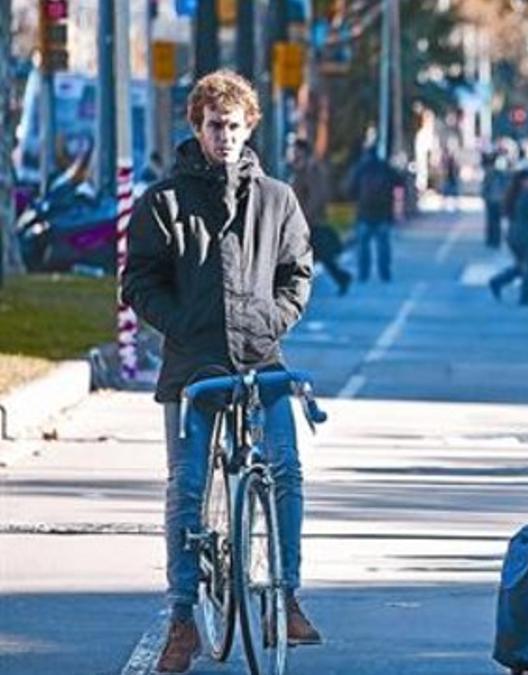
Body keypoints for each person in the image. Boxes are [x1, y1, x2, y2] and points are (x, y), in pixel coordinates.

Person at [121, 69, 321, 674]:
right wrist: (180, 324)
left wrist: (272, 321)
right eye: (215, 126)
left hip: (262, 362)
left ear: (249, 126)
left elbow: (298, 273)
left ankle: (285, 596)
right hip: (193, 369)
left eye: (234, 126)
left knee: (285, 466)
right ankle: (183, 618)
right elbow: (138, 282)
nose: (225, 136)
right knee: (185, 489)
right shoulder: (165, 203)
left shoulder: (278, 199)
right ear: (198, 127)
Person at [289, 138, 351, 296]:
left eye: (296, 151)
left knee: (305, 256)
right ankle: (341, 277)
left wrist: (304, 217)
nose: (293, 154)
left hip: (311, 222)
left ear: (303, 152)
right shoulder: (300, 169)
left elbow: (318, 195)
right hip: (305, 221)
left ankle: (340, 278)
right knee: (318, 257)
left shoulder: (311, 170)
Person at [344, 139, 403, 282]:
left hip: (364, 213)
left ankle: (363, 273)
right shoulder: (384, 167)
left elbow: (348, 189)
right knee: (383, 245)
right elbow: (400, 181)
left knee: (363, 246)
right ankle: (384, 272)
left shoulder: (360, 168)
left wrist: (356, 199)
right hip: (383, 213)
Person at [488, 169, 528, 306]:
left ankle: (497, 281)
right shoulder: (525, 196)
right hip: (525, 236)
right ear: (522, 181)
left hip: (516, 236)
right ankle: (526, 296)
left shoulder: (515, 194)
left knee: (521, 266)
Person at [481, 151, 509, 248]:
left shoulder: (499, 175)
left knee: (494, 221)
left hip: (495, 200)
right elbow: (485, 187)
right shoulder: (493, 174)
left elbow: (485, 187)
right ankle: (493, 239)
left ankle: (494, 240)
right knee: (493, 221)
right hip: (494, 200)